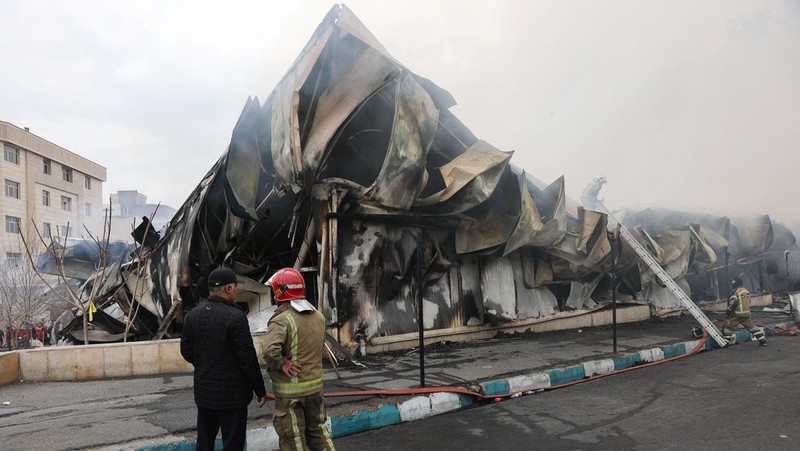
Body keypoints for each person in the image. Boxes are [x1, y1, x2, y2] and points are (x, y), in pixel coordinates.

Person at [180, 267, 268, 451]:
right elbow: (247, 359)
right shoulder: (235, 317)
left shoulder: (193, 314)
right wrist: (260, 390)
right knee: (233, 445)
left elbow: (186, 350)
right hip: (232, 398)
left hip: (204, 395)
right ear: (228, 288)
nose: (236, 292)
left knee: (204, 444)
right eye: (235, 288)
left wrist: (204, 363)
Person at [264, 267, 335, 451]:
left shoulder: (281, 319)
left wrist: (282, 362)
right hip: (315, 389)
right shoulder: (318, 317)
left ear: (279, 292)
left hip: (290, 394)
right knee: (318, 433)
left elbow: (270, 350)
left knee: (293, 437)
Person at [723, 274, 766, 346]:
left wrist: (728, 311)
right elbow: (749, 301)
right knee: (752, 327)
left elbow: (733, 303)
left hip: (737, 314)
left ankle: (726, 343)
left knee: (728, 327)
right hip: (746, 313)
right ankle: (763, 341)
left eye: (733, 281)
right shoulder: (746, 291)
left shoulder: (734, 291)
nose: (731, 283)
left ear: (735, 283)